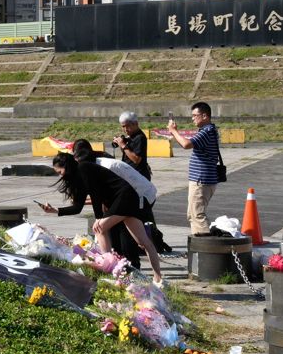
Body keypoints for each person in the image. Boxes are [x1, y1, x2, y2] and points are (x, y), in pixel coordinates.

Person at [38, 152, 163, 284]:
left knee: (99, 229)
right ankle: (157, 277)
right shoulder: (77, 178)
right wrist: (54, 210)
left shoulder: (83, 168)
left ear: (67, 166)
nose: (60, 175)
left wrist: (99, 218)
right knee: (143, 241)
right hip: (121, 200)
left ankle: (109, 271)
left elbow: (95, 194)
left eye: (60, 171)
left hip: (124, 197)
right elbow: (77, 207)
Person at [113, 112, 173, 254]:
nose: (125, 130)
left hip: (138, 181)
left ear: (135, 124)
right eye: (123, 127)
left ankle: (153, 241)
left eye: (128, 126)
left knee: (142, 212)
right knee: (142, 213)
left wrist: (123, 145)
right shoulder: (131, 137)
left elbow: (136, 159)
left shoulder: (139, 137)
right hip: (131, 179)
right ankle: (149, 240)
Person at [164, 102, 221, 237]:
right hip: (202, 179)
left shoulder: (207, 132)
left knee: (198, 215)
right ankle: (198, 245)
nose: (192, 118)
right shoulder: (208, 130)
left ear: (205, 116)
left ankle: (206, 247)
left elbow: (186, 144)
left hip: (201, 180)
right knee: (193, 214)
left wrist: (173, 131)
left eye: (195, 115)